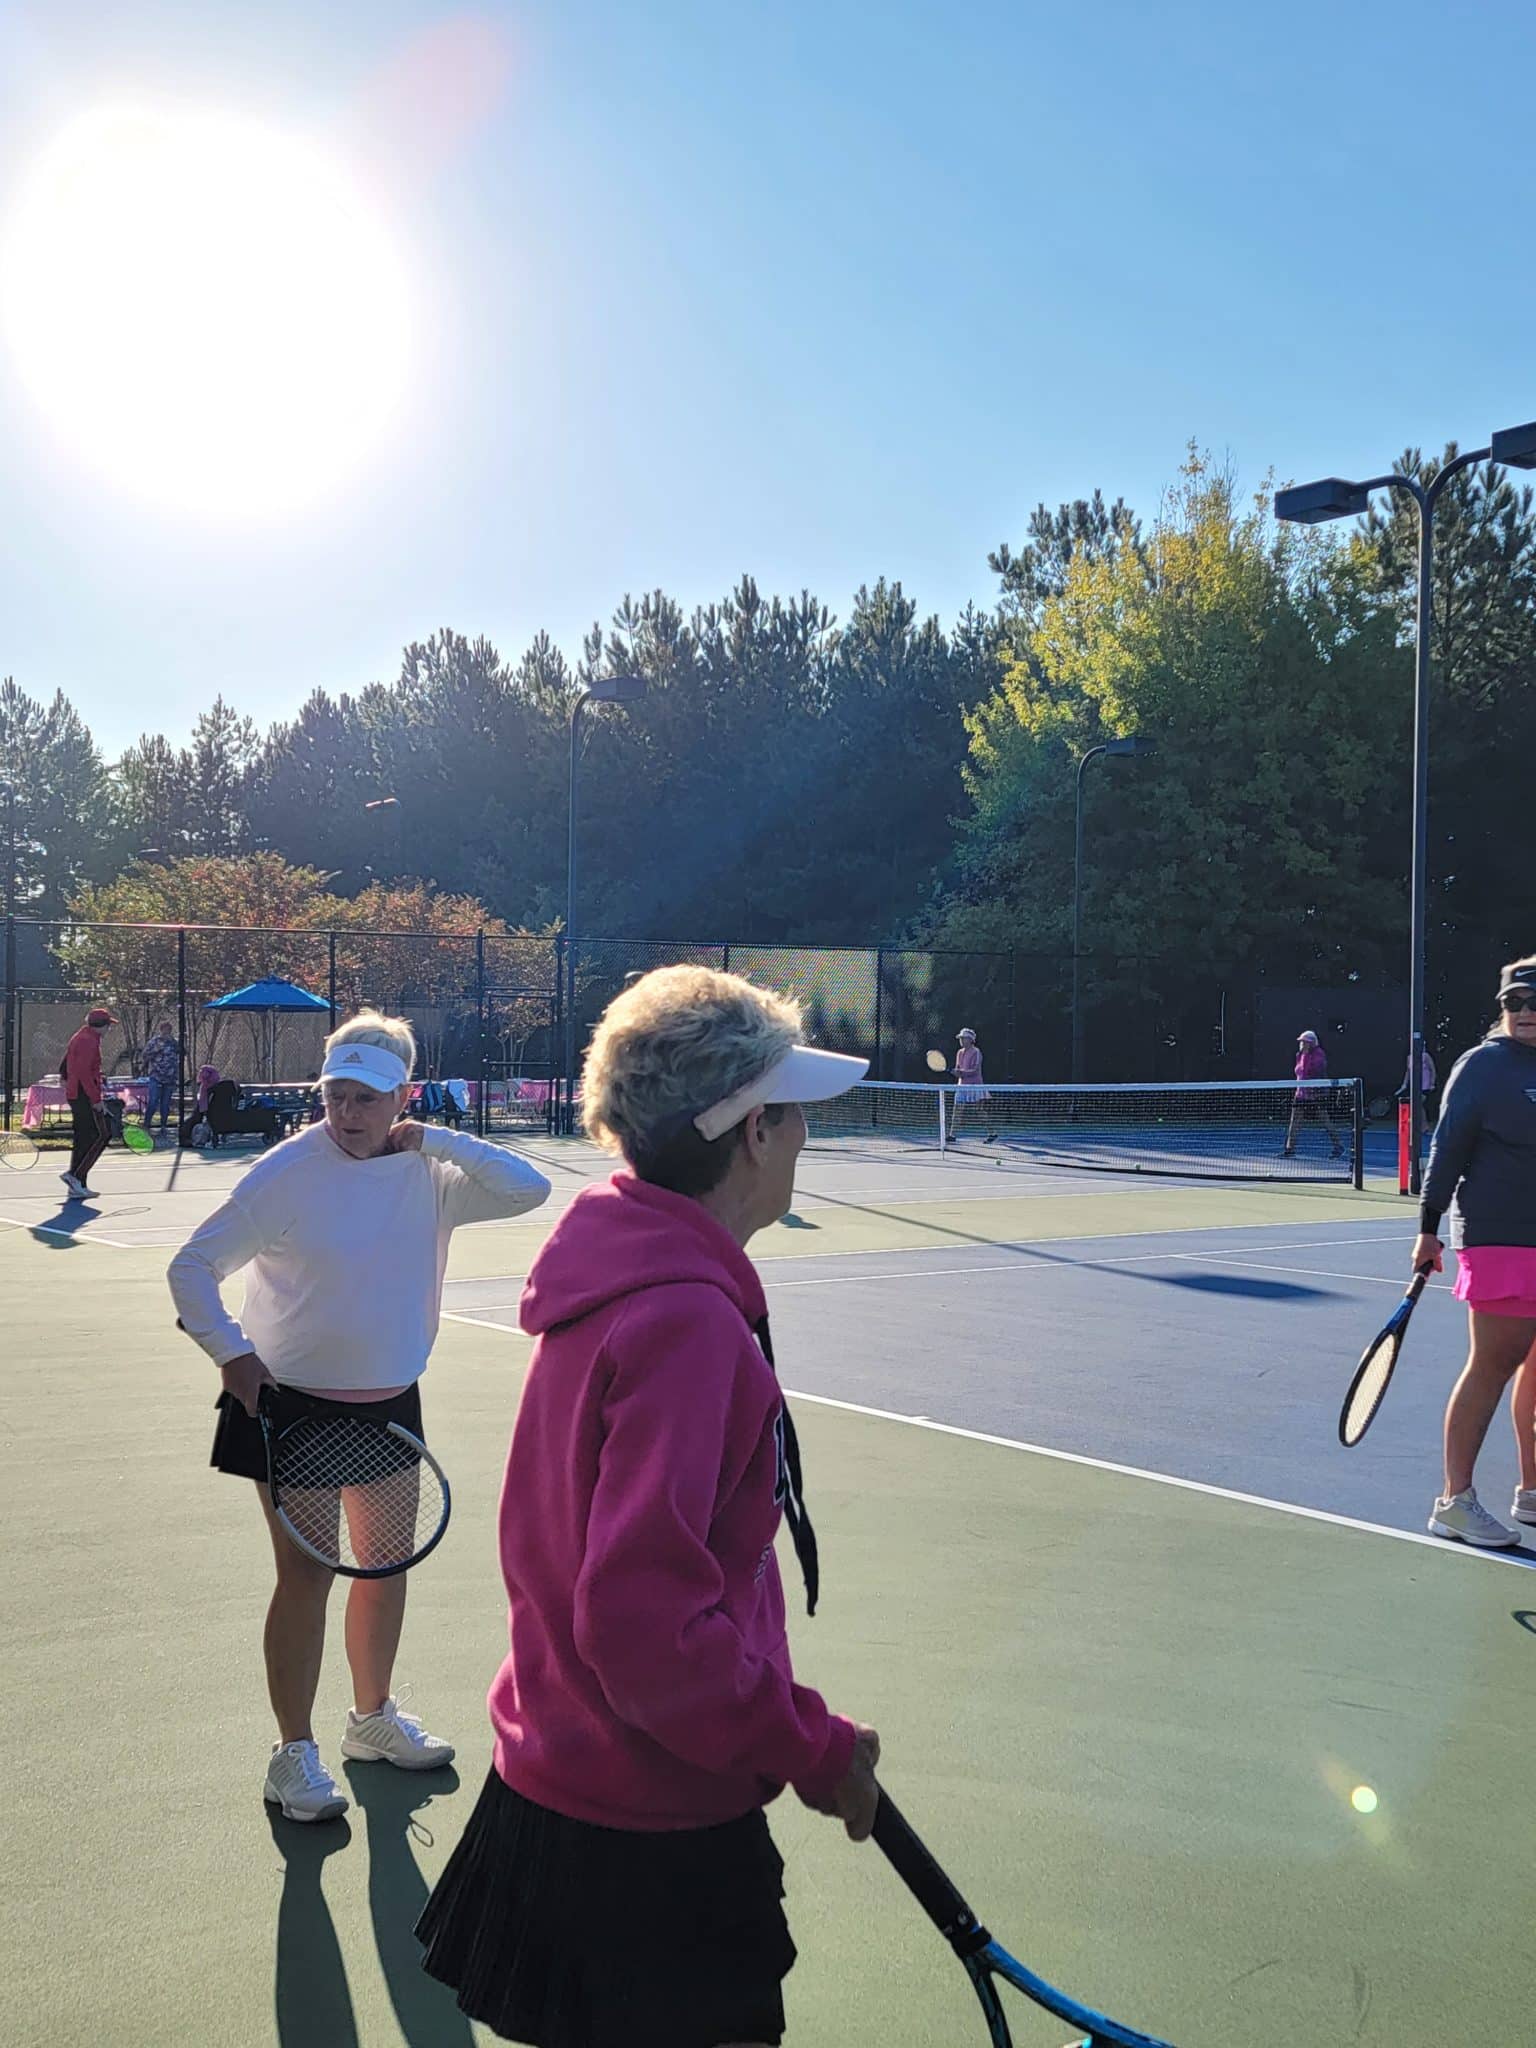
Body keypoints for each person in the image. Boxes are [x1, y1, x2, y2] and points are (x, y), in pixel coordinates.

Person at [416, 966, 880, 2048]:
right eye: (794, 1113)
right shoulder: (685, 1324)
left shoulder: (618, 1280)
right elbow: (641, 1626)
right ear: (754, 1132)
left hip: (560, 1785)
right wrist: (812, 1746)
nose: (805, 1136)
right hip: (648, 1838)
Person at [167, 1010, 551, 1822]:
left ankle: (371, 1720)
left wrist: (436, 1141)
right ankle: (292, 1755)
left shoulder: (430, 1173)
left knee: (383, 1568)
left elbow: (531, 1188)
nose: (346, 1113)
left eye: (367, 1099)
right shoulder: (284, 1173)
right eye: (335, 1095)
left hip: (388, 1407)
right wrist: (231, 1354)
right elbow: (191, 1267)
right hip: (288, 1408)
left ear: (403, 1098)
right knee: (307, 1576)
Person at [1414, 955, 1536, 1548]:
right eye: (1515, 1002)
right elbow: (1447, 1148)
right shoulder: (1483, 1065)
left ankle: (1532, 1490)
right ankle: (1454, 1502)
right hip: (1501, 1236)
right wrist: (1428, 1228)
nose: (1526, 1012)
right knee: (1495, 1361)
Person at [60, 1005, 116, 1200]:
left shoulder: (84, 1037)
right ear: (101, 1025)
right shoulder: (87, 1041)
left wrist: (98, 1078)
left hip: (78, 1092)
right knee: (100, 1135)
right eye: (108, 1025)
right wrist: (96, 1100)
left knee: (84, 1137)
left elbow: (73, 1063)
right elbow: (83, 1072)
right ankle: (75, 1175)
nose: (109, 1029)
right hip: (82, 1094)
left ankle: (78, 1183)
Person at [1282, 1028, 1343, 1160]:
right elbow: (1299, 1073)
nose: (1302, 1044)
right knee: (1295, 1121)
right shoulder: (1299, 1055)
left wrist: (1315, 1091)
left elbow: (1314, 1071)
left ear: (1312, 1043)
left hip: (1316, 1095)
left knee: (1325, 1120)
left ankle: (1338, 1146)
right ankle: (1289, 1149)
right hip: (1300, 1094)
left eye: (1305, 1042)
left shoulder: (1319, 1055)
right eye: (1301, 1041)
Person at [948, 1025, 992, 1143]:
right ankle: (952, 1135)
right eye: (960, 1038)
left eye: (963, 1038)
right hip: (961, 1086)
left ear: (970, 1040)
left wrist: (961, 1072)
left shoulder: (976, 1052)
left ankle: (992, 1133)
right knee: (957, 1110)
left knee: (979, 1110)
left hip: (975, 1085)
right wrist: (956, 1073)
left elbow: (975, 1070)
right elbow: (958, 1070)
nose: (961, 1040)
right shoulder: (959, 1053)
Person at [141, 1019, 180, 1134]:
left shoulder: (174, 1042)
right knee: (153, 1101)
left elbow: (182, 1052)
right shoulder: (154, 1042)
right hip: (156, 1076)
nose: (167, 1032)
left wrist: (177, 1043)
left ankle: (163, 1125)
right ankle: (147, 1124)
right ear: (161, 1030)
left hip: (170, 1077)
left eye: (169, 1030)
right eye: (165, 1029)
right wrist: (157, 1049)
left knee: (165, 1103)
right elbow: (145, 1055)